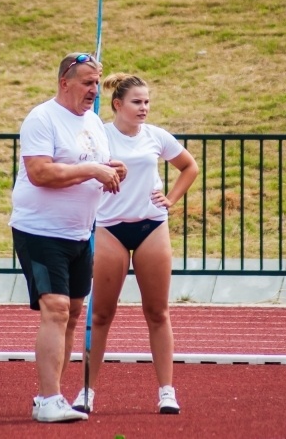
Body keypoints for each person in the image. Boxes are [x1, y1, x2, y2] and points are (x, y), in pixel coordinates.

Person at [9, 53, 127, 423]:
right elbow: (41, 172)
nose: (95, 90)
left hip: (80, 231)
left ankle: (53, 396)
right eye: (87, 82)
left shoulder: (92, 121)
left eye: (97, 82)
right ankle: (48, 399)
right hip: (40, 230)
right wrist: (92, 169)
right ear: (65, 83)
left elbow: (88, 165)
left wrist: (109, 170)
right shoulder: (42, 118)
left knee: (74, 314)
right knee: (56, 308)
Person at [71, 73, 198, 415]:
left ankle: (167, 392)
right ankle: (87, 392)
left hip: (151, 226)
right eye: (137, 102)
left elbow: (189, 167)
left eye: (147, 102)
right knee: (100, 314)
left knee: (157, 312)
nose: (144, 108)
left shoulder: (156, 136)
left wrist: (170, 198)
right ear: (117, 105)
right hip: (110, 227)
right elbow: (80, 169)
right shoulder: (100, 136)